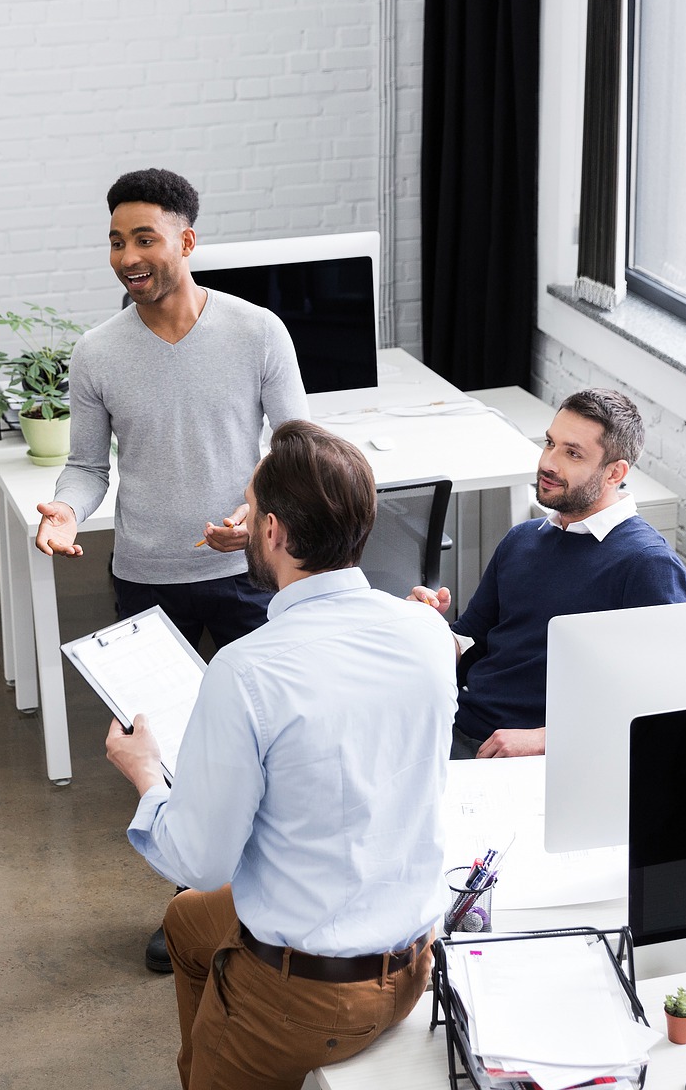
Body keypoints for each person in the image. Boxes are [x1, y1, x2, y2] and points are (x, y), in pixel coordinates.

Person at [105, 419, 455, 1090]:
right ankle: (209, 1049)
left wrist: (147, 775)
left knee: (196, 894)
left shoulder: (245, 671)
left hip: (309, 996)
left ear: (271, 533)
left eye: (252, 506)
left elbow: (201, 860)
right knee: (185, 923)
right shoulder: (427, 633)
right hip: (412, 961)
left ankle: (229, 1053)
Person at [33, 168, 307, 971]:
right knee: (173, 751)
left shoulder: (257, 332)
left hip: (250, 575)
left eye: (144, 238)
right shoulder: (97, 352)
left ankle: (271, 898)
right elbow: (86, 467)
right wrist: (63, 509)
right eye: (116, 240)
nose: (127, 256)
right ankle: (191, 904)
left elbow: (295, 445)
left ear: (187, 240)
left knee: (266, 741)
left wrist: (253, 515)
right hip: (147, 578)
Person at [411, 387, 686, 759]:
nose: (548, 463)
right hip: (454, 724)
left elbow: (665, 703)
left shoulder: (647, 565)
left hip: (535, 757)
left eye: (572, 453)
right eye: (550, 443)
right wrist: (421, 627)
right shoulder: (524, 538)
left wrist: (546, 739)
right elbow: (468, 639)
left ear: (615, 473)